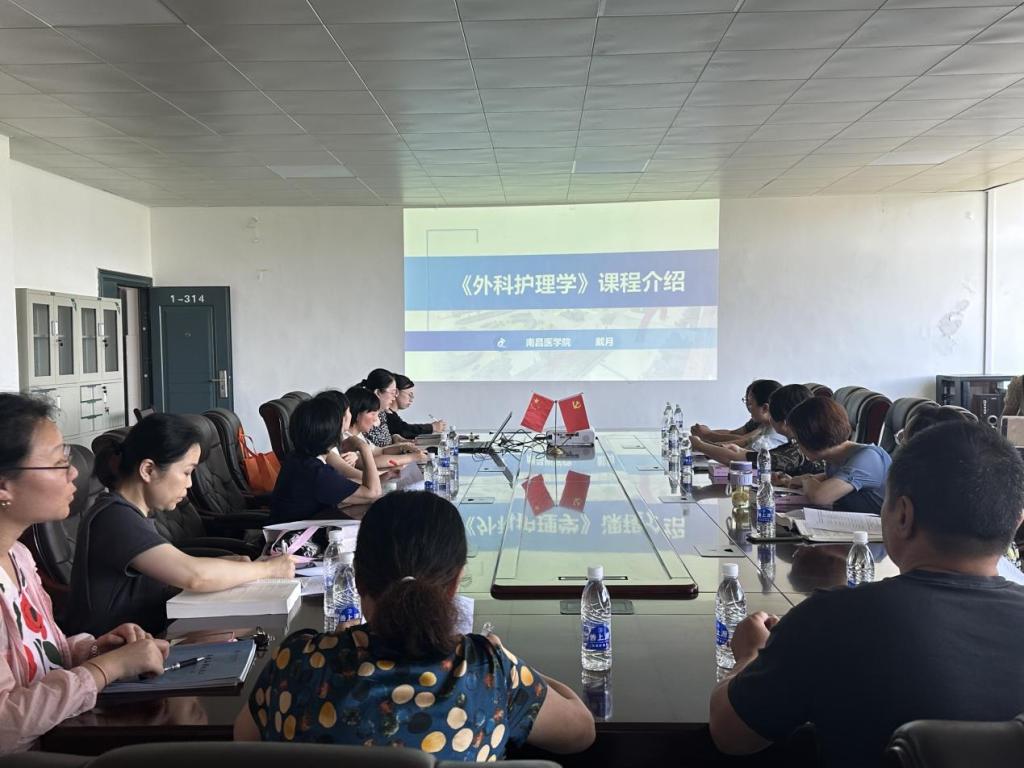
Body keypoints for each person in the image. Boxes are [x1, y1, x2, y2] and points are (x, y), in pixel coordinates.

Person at [710, 421, 1024, 768]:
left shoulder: (833, 620)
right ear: (1016, 522)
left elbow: (730, 735)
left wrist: (749, 654)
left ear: (903, 515)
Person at [235, 491, 595, 759]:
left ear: (357, 579)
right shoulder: (489, 670)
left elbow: (244, 741)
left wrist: (330, 650)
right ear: (456, 582)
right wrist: (507, 660)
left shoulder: (298, 662)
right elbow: (581, 731)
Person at [0, 393, 170, 753]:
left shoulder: (18, 557)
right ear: (3, 485)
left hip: (63, 737)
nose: (74, 472)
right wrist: (106, 669)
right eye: (59, 462)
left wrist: (94, 649)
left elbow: (43, 658)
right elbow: (4, 726)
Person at [66, 414, 296, 636]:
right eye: (186, 472)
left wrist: (229, 568)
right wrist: (268, 569)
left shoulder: (132, 514)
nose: (189, 484)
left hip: (150, 638)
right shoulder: (115, 518)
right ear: (148, 470)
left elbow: (158, 582)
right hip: (119, 652)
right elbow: (194, 576)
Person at [269, 396, 381, 524]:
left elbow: (342, 484)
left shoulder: (299, 457)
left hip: (303, 524)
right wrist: (364, 448)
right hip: (296, 533)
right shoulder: (317, 473)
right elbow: (374, 493)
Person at [778, 396, 891, 514]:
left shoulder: (869, 457)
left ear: (810, 437)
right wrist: (793, 481)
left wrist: (806, 479)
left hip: (879, 524)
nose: (797, 445)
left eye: (797, 439)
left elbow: (819, 497)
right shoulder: (836, 458)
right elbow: (832, 478)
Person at [691, 379, 787, 462]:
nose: (748, 408)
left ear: (765, 408)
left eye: (750, 403)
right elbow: (742, 443)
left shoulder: (771, 437)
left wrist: (700, 445)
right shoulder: (765, 427)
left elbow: (738, 458)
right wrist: (704, 444)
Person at [344, 386, 427, 470]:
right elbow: (371, 461)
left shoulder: (359, 435)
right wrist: (412, 457)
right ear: (358, 415)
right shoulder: (345, 438)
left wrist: (402, 447)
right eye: (373, 414)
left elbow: (380, 451)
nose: (376, 419)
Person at [386, 374, 445, 440]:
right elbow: (404, 430)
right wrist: (432, 427)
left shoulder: (392, 414)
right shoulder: (386, 414)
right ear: (396, 392)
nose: (411, 399)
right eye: (409, 395)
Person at [359, 369, 402, 448]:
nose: (394, 398)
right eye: (392, 393)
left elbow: (385, 443)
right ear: (378, 392)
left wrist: (395, 438)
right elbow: (373, 451)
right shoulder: (364, 416)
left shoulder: (382, 414)